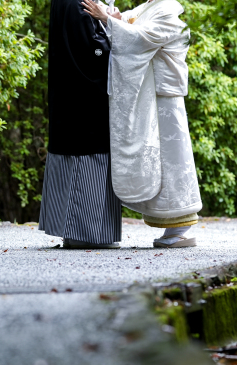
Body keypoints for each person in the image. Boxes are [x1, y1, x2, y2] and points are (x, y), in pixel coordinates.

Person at [82, 0, 202, 248]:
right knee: (159, 160)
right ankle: (172, 225)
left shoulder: (166, 9)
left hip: (164, 95)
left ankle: (181, 227)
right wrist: (116, 19)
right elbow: (130, 28)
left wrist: (108, 20)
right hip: (153, 93)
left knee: (173, 159)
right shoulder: (148, 7)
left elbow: (142, 39)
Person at [39, 0, 122, 249]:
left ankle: (72, 232)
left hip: (68, 97)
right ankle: (84, 234)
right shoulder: (79, 4)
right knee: (86, 162)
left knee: (71, 159)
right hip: (85, 101)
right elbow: (93, 51)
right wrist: (114, 27)